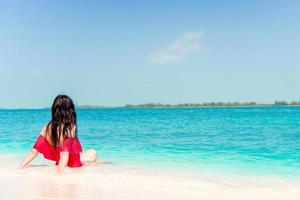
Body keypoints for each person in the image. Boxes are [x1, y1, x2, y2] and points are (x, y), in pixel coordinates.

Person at [18, 95, 97, 173]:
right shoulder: (69, 127)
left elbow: (34, 151)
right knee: (93, 153)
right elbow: (64, 155)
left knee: (91, 157)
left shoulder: (47, 127)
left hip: (60, 164)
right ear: (70, 110)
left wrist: (19, 168)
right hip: (74, 166)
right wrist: (60, 176)